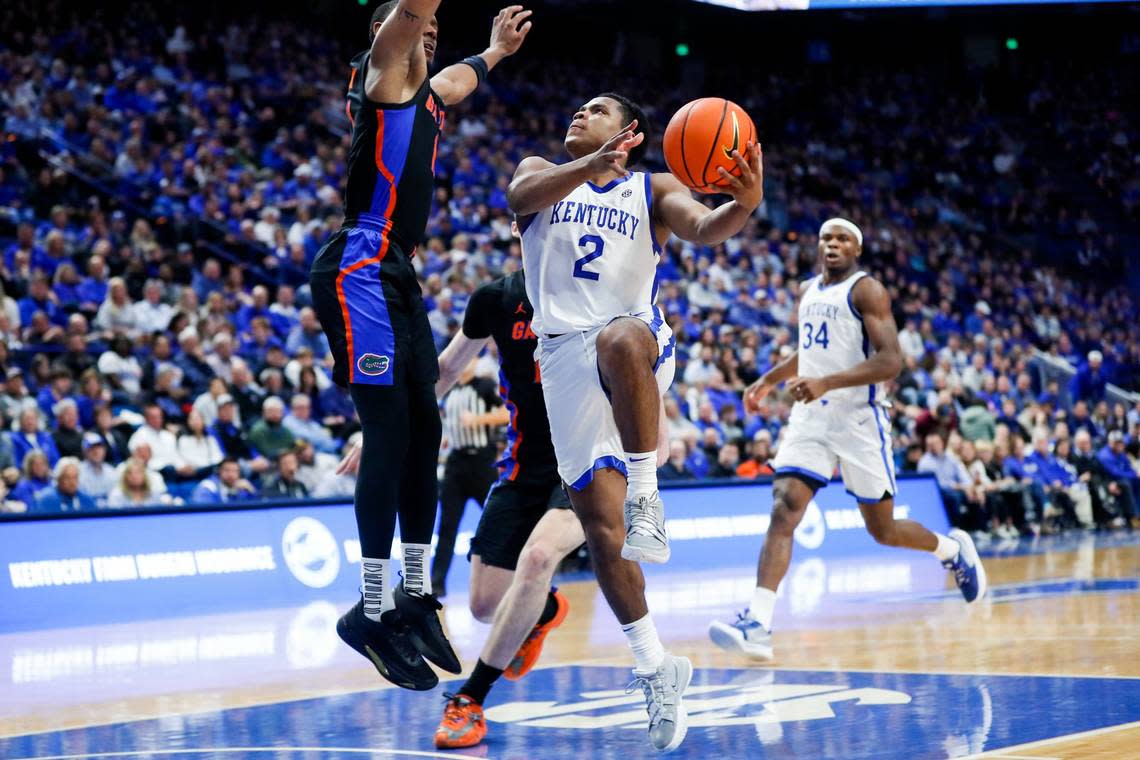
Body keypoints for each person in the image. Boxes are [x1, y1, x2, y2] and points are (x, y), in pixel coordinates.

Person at [506, 92, 763, 752]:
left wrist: (745, 204)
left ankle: (648, 492)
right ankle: (656, 666)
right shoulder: (539, 171)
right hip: (560, 355)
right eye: (578, 109)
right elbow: (522, 198)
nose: (578, 113)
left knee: (620, 337)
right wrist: (590, 160)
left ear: (631, 134)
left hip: (635, 346)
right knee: (599, 530)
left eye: (595, 110)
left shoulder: (654, 187)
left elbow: (706, 229)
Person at [307, 0, 532, 692]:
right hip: (359, 263)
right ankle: (371, 610)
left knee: (426, 424)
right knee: (388, 433)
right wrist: (417, 16)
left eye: (437, 33)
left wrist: (493, 51)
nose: (429, 37)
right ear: (390, 33)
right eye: (419, 28)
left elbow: (459, 80)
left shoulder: (429, 91)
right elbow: (410, 15)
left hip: (397, 270)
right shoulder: (382, 78)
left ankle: (413, 592)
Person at [708, 219, 987, 666]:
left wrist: (828, 383)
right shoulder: (810, 291)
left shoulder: (867, 291)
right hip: (811, 417)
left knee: (884, 531)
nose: (832, 245)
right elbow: (810, 352)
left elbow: (890, 361)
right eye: (826, 239)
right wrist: (766, 380)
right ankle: (758, 624)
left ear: (856, 249)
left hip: (859, 419)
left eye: (842, 239)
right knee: (784, 506)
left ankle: (952, 550)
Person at [432, 358, 503, 595]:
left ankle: (510, 572)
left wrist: (478, 420)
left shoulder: (483, 386)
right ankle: (437, 583)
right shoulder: (450, 390)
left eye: (471, 357)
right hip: (456, 463)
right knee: (447, 525)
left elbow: (507, 413)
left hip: (481, 462)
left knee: (498, 519)